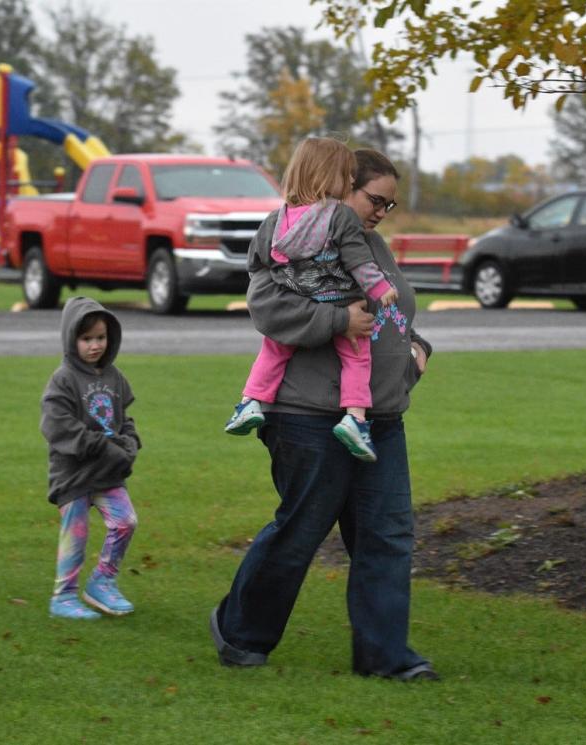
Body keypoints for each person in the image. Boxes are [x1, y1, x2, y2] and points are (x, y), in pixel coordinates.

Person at [210, 149, 439, 681]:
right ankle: (239, 630)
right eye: (374, 199)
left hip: (380, 418)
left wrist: (417, 351)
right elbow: (268, 310)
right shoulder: (289, 239)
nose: (382, 211)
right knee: (301, 530)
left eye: (390, 204)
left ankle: (385, 657)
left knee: (387, 534)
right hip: (307, 415)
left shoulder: (373, 246)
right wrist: (338, 319)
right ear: (340, 188)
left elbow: (397, 310)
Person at [224, 137, 398, 462]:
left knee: (273, 350)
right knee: (357, 357)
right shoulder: (341, 218)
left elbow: (255, 261)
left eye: (388, 205)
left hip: (301, 296)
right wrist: (376, 292)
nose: (349, 181)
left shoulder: (276, 220)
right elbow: (360, 263)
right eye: (347, 176)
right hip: (339, 306)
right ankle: (355, 418)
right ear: (328, 175)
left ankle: (249, 402)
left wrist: (288, 277)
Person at [40, 296, 141, 620]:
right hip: (73, 475)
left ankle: (102, 582)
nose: (95, 345)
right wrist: (101, 445)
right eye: (86, 339)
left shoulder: (114, 377)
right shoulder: (63, 379)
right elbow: (57, 426)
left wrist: (130, 442)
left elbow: (124, 419)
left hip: (107, 472)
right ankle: (64, 596)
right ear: (72, 339)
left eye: (100, 338)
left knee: (125, 522)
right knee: (76, 536)